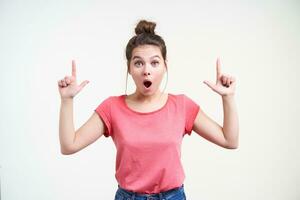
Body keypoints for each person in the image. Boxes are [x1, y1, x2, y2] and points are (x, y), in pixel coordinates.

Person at [58, 19, 239, 200]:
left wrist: (228, 97)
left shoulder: (182, 106)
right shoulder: (112, 108)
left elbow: (229, 140)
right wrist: (67, 100)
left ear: (165, 66)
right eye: (138, 63)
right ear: (129, 68)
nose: (146, 71)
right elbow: (69, 145)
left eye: (154, 63)